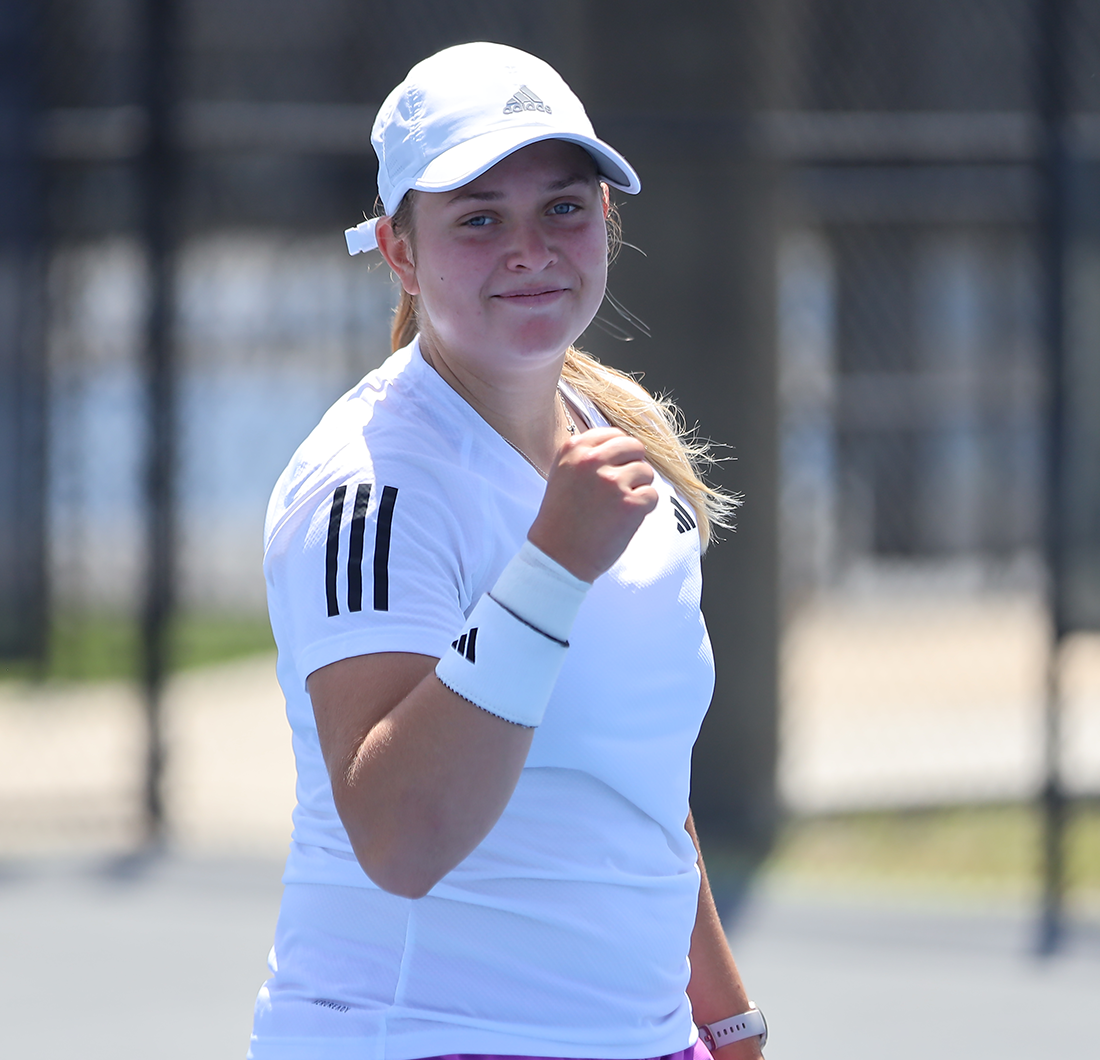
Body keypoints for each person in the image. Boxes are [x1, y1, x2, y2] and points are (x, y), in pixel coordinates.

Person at [250, 42, 767, 1060]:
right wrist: (548, 570)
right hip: (420, 1040)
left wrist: (727, 1022)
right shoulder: (369, 487)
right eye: (479, 218)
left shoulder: (625, 450)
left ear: (606, 222)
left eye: (563, 209)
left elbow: (641, 787)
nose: (531, 247)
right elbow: (401, 836)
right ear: (400, 251)